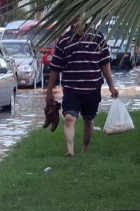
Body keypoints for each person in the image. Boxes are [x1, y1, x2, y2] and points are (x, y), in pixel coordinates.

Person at [44, 16, 120, 157]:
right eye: (76, 19)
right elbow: (55, 68)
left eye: (81, 18)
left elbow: (104, 63)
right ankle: (70, 150)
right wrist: (49, 91)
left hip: (92, 88)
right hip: (71, 89)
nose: (78, 22)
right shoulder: (64, 40)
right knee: (69, 119)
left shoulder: (97, 37)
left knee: (89, 120)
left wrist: (111, 86)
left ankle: (85, 148)